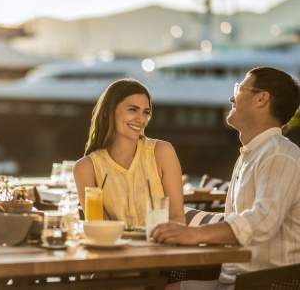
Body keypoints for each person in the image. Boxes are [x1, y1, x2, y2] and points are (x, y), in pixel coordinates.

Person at [151, 66, 300, 290]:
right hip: (230, 280)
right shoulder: (252, 154)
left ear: (261, 99)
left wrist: (193, 234)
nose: (232, 96)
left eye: (239, 88)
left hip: (262, 284)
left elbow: (262, 221)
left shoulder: (279, 154)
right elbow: (241, 220)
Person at [73, 78, 185, 226]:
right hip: (114, 247)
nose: (141, 119)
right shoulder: (86, 168)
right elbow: (99, 227)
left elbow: (177, 217)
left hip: (159, 245)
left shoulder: (162, 153)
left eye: (145, 112)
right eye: (133, 109)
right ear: (107, 112)